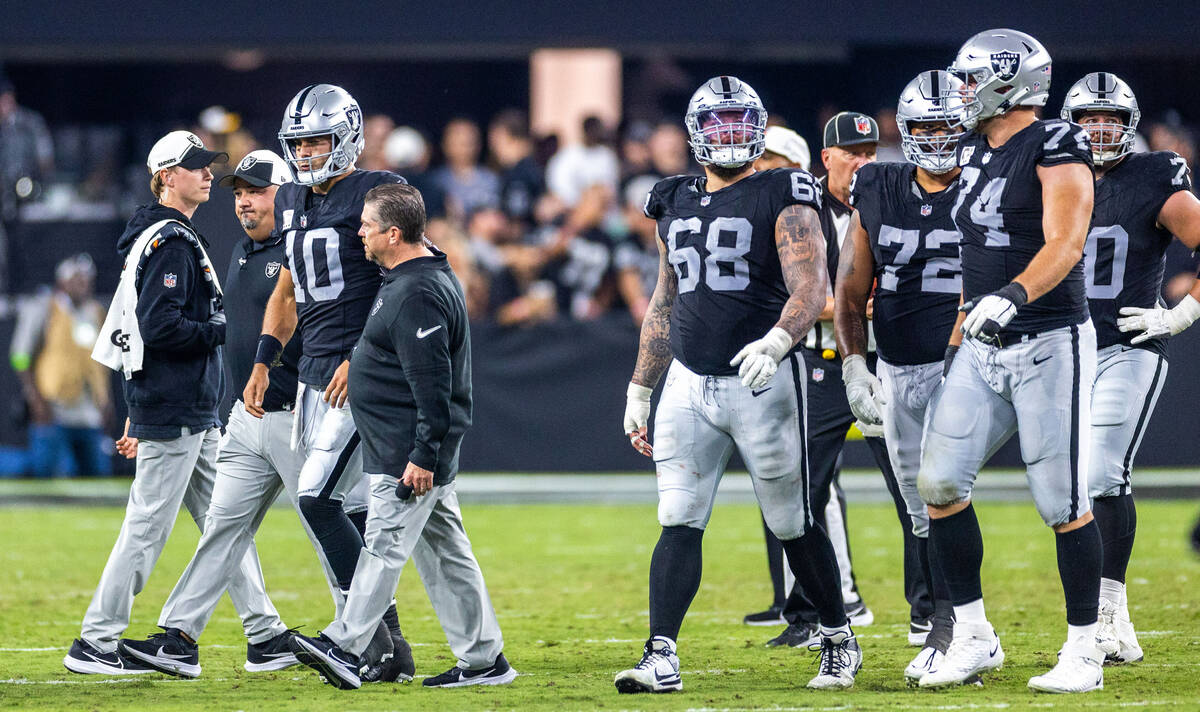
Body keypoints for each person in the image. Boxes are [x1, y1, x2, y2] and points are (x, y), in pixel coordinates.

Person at [114, 150, 414, 682]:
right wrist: (255, 366)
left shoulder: (311, 245)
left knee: (329, 525)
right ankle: (179, 639)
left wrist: (348, 364)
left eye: (255, 190)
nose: (244, 201)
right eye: (237, 192)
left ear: (287, 194)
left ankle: (376, 639)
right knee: (222, 528)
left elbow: (367, 298)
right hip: (248, 416)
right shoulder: (242, 252)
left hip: (304, 410)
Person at [617, 75, 861, 693]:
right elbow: (665, 303)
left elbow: (813, 287)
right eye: (718, 123)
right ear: (698, 132)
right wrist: (641, 387)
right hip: (688, 380)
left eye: (739, 122)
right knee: (678, 516)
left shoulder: (783, 187)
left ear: (757, 128)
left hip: (763, 379)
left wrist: (779, 341)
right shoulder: (672, 199)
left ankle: (837, 634)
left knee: (789, 520)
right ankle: (661, 655)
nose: (729, 135)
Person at [916, 29, 1102, 693]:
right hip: (984, 342)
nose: (961, 93)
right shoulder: (974, 150)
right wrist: (965, 326)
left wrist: (1014, 295)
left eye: (970, 80)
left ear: (1005, 81)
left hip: (1048, 339)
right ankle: (972, 635)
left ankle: (1086, 649)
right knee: (938, 483)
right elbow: (980, 253)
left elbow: (1067, 240)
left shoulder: (1055, 142)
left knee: (1061, 500)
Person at [65, 131, 281, 675]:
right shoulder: (173, 241)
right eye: (195, 167)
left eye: (208, 166)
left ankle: (264, 632)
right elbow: (157, 328)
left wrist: (138, 403)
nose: (208, 174)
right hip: (178, 406)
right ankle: (96, 639)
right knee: (147, 527)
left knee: (225, 523)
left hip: (186, 407)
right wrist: (221, 332)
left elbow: (126, 331)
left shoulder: (162, 237)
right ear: (165, 176)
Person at [289, 183, 515, 690]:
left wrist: (423, 454)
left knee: (383, 546)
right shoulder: (411, 275)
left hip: (406, 451)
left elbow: (434, 386)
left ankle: (345, 645)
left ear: (394, 234)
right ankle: (484, 659)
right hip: (406, 445)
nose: (359, 232)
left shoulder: (415, 290)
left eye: (368, 225)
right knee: (447, 556)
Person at [245, 84, 409, 663]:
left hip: (360, 370)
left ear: (348, 136)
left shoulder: (380, 192)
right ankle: (391, 646)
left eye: (318, 140)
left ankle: (364, 638)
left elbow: (401, 284)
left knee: (317, 500)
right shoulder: (289, 199)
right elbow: (287, 289)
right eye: (300, 142)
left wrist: (357, 356)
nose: (309, 152)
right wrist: (265, 359)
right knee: (355, 506)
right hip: (313, 369)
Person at [763, 111, 933, 649]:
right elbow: (788, 295)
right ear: (826, 156)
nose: (861, 162)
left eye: (869, 153)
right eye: (851, 153)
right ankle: (812, 615)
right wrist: (844, 307)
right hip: (821, 364)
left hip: (886, 363)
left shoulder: (893, 197)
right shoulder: (801, 206)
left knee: (917, 492)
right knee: (797, 496)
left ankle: (929, 613)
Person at [1060, 72, 1200, 665]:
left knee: (1099, 476)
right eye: (1087, 119)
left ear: (1128, 125)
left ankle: (1112, 614)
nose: (1097, 130)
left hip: (1127, 344)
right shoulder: (1048, 176)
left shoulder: (1154, 175)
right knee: (1062, 490)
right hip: (1059, 351)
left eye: (1109, 120)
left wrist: (1183, 313)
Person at [833, 70, 966, 684]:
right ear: (904, 133)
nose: (937, 140)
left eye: (947, 127)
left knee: (955, 489)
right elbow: (851, 284)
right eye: (925, 129)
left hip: (974, 360)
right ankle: (952, 624)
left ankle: (1095, 619)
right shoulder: (877, 185)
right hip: (900, 362)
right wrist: (856, 362)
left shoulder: (992, 185)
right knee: (921, 505)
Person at [8, 254, 112, 477]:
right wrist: (34, 397)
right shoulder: (44, 308)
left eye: (86, 278)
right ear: (62, 281)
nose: (82, 283)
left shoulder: (95, 312)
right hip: (53, 405)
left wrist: (105, 400)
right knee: (48, 475)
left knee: (96, 476)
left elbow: (101, 363)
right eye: (76, 278)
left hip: (88, 408)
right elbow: (19, 355)